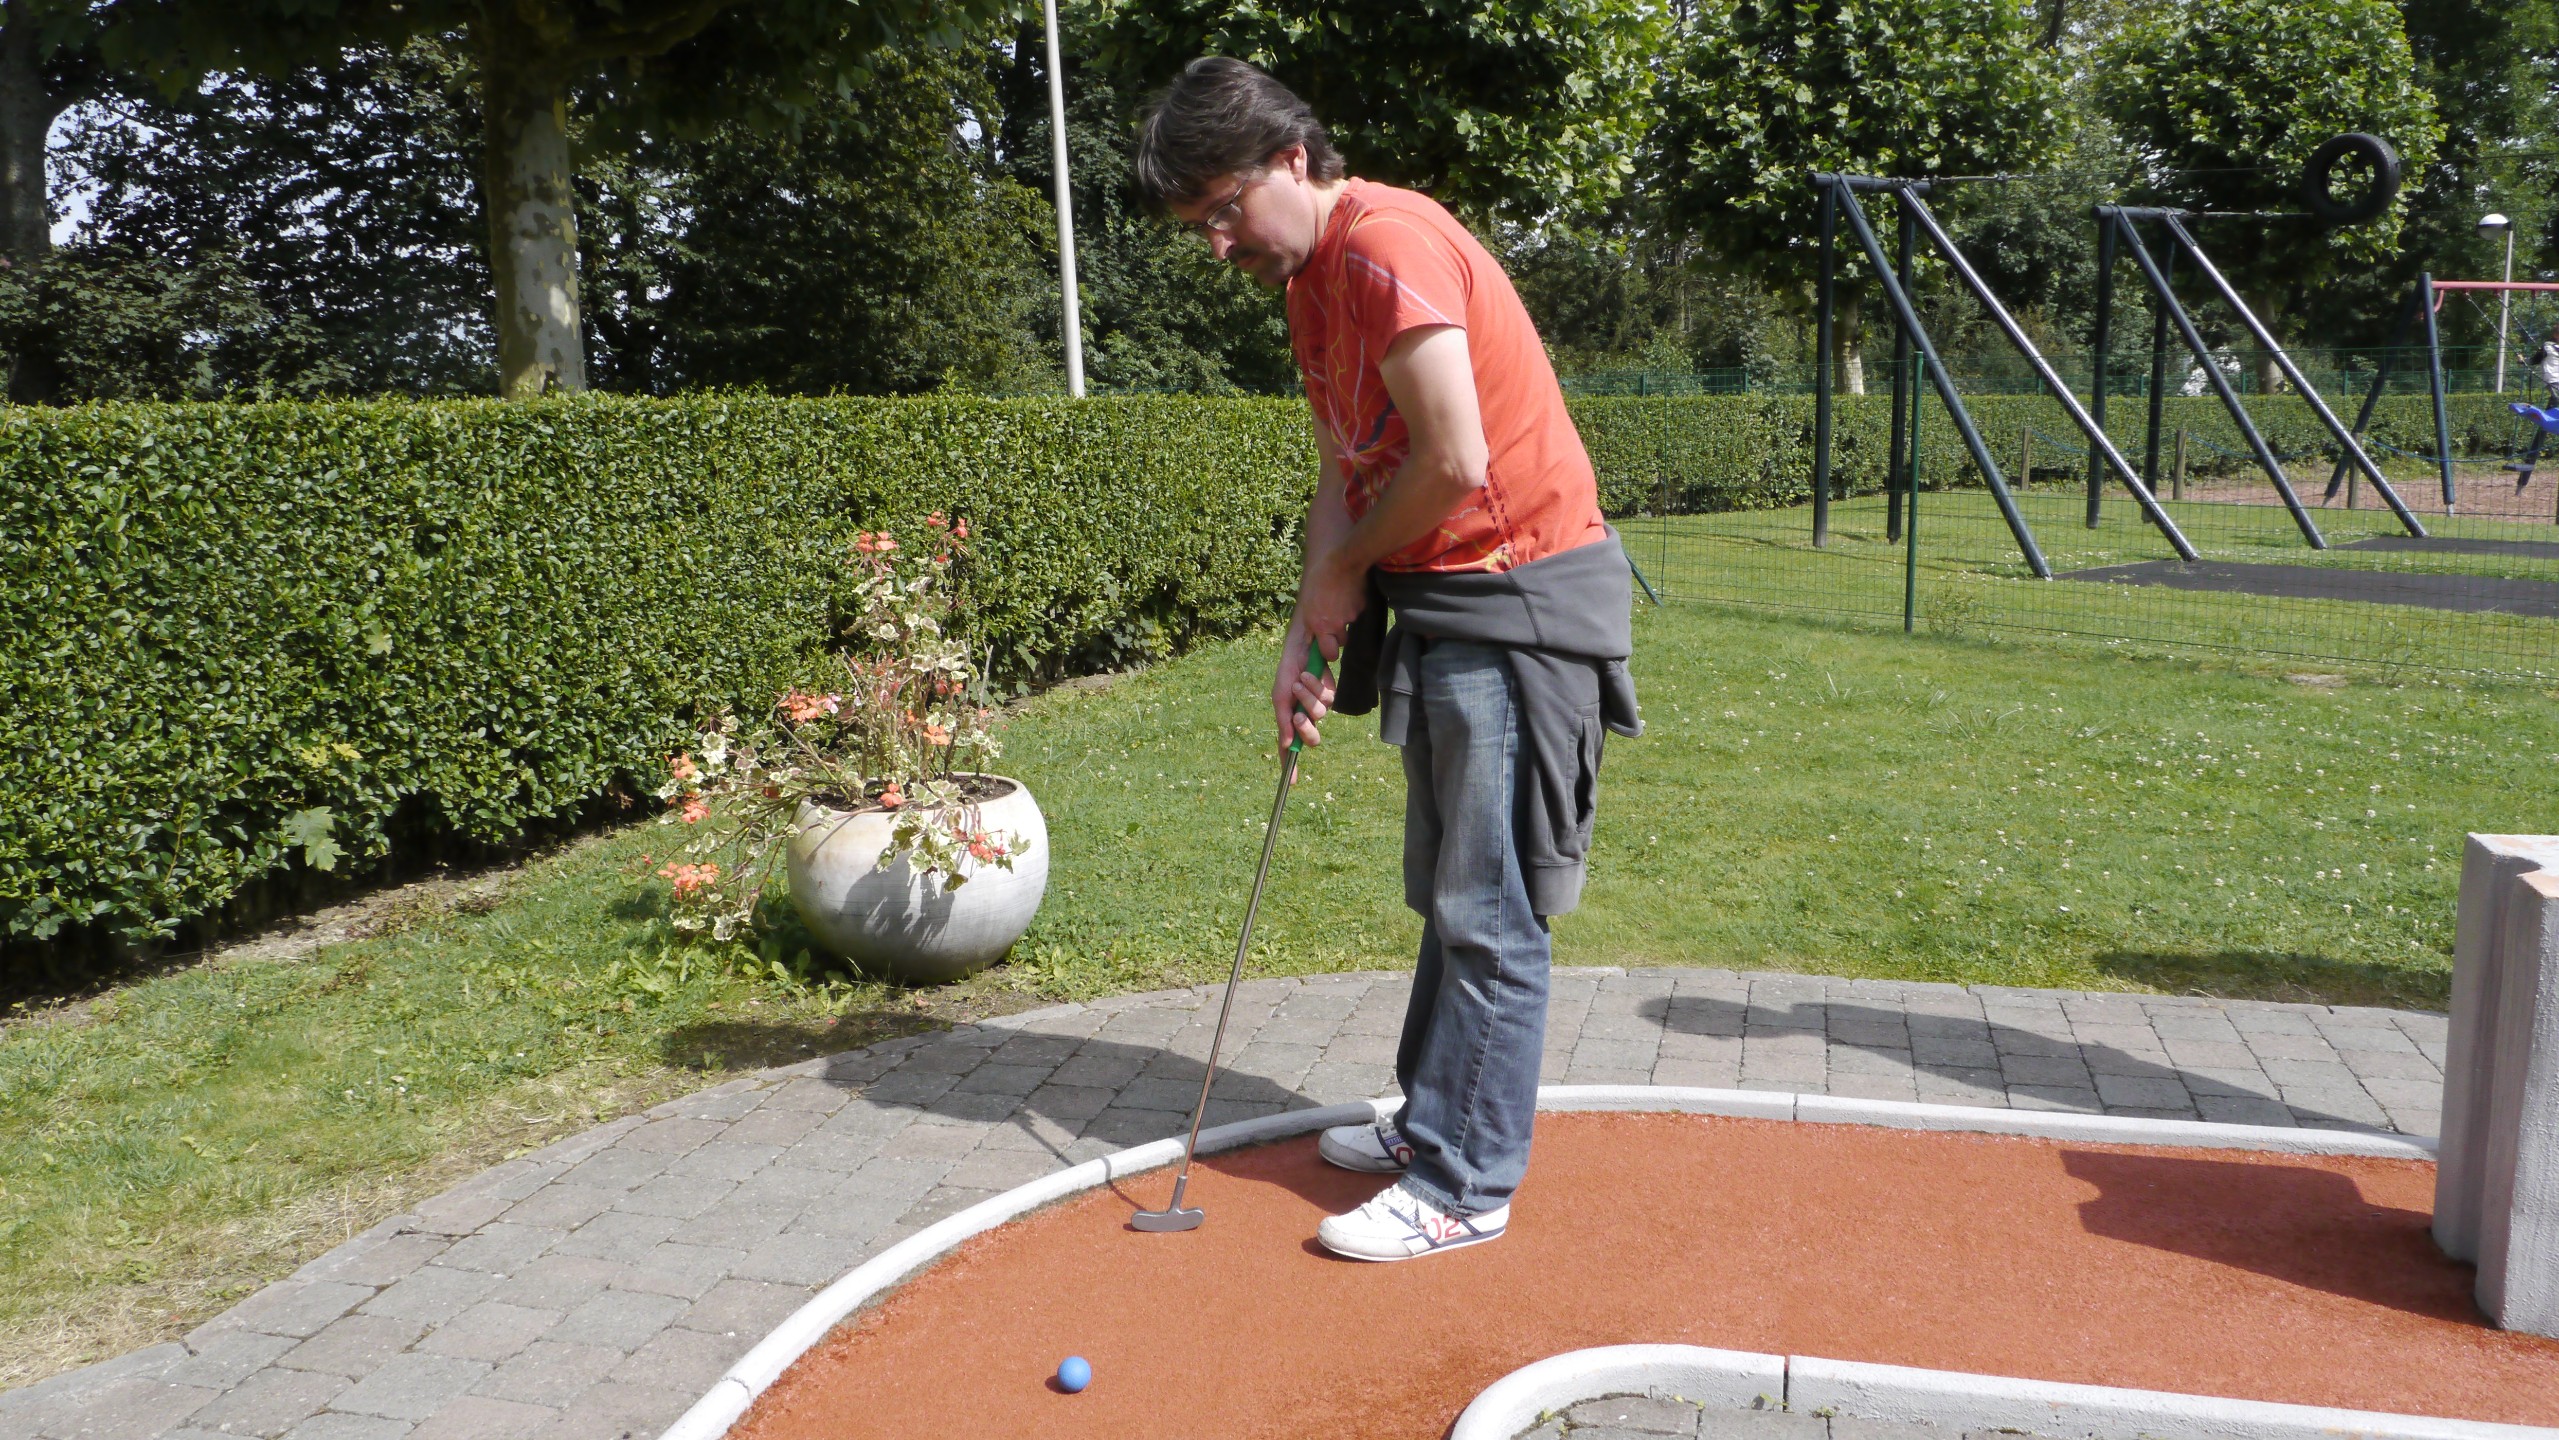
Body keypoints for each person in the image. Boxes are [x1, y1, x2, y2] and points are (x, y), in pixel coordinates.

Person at [1133, 58, 1642, 1263]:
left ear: (1291, 159)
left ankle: (1466, 1184)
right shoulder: (1311, 282)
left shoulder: (1386, 246)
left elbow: (1455, 459)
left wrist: (1353, 569)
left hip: (1517, 602)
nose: (1217, 243)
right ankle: (1432, 1123)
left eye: (1222, 209)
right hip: (1445, 600)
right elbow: (1347, 464)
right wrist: (1310, 624)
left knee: (1491, 906)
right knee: (1452, 891)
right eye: (1196, 226)